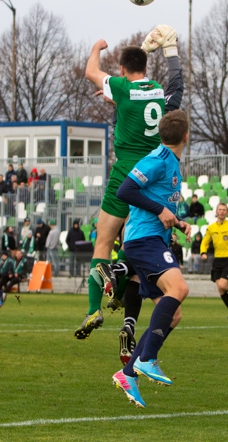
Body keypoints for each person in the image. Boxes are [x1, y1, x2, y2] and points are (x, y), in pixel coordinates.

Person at [77, 25, 184, 347]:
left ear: (123, 69)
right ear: (147, 68)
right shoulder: (160, 94)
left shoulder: (121, 87)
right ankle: (130, 314)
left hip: (126, 172)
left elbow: (90, 71)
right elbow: (175, 86)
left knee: (103, 244)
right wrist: (171, 52)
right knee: (136, 247)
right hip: (154, 178)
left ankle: (94, 309)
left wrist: (97, 46)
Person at [111, 109, 191, 408]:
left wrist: (177, 221)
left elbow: (158, 201)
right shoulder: (157, 159)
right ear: (186, 136)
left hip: (151, 238)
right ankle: (147, 358)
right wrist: (159, 212)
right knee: (180, 290)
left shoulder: (169, 161)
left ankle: (128, 373)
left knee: (174, 313)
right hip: (143, 239)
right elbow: (125, 190)